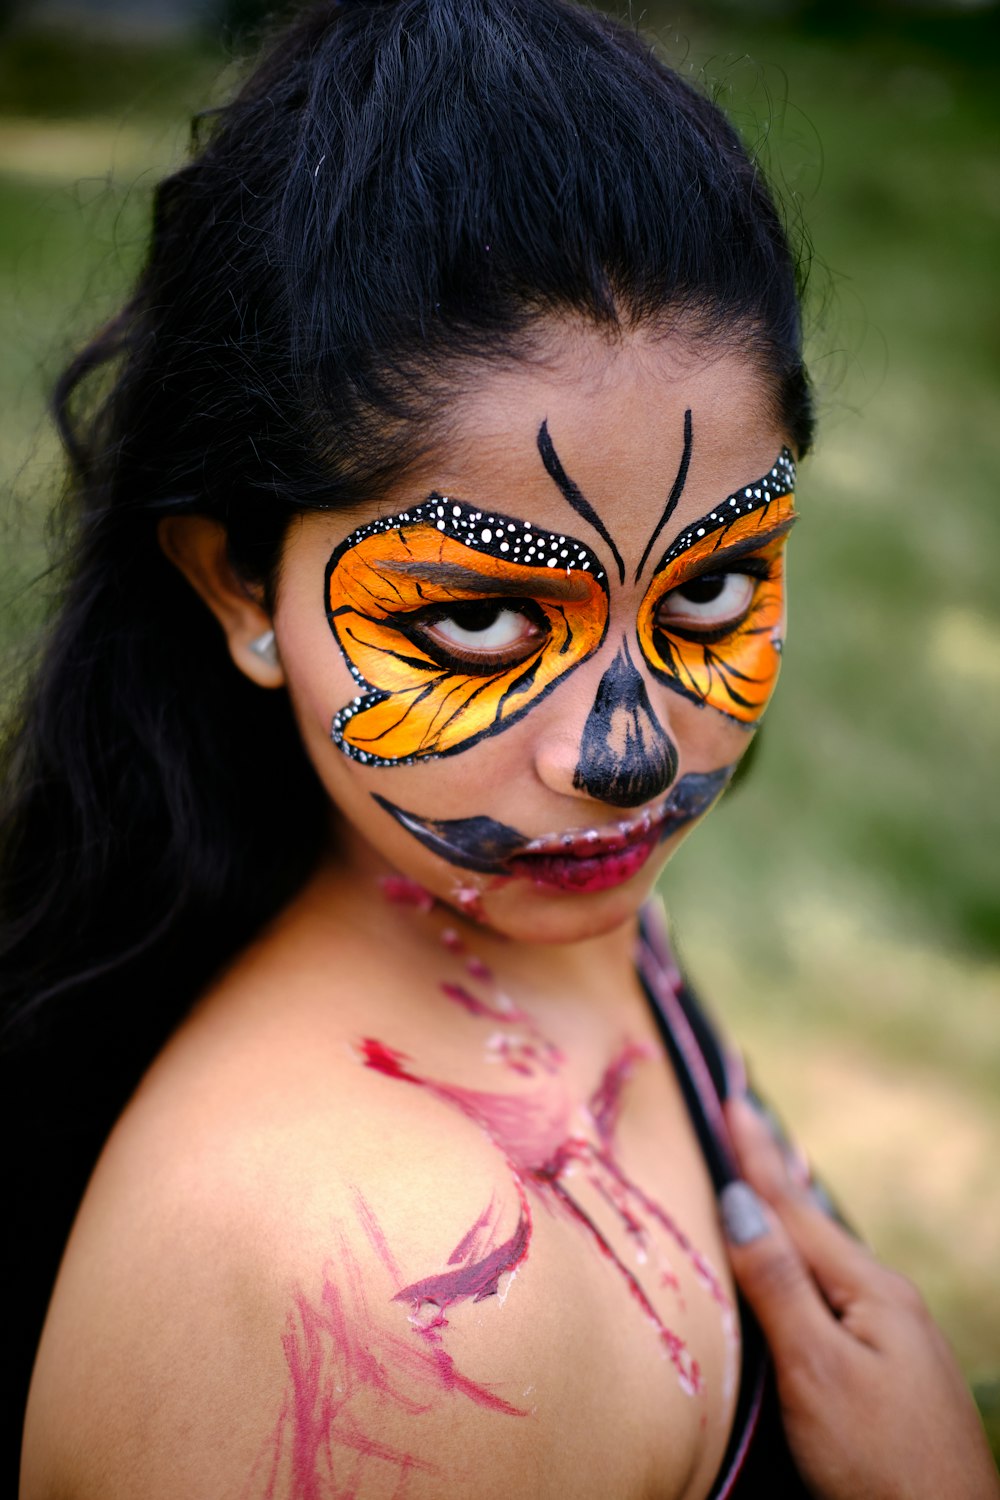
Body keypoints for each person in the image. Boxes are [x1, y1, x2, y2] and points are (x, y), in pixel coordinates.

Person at [2, 0, 996, 1494]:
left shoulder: (520, 887)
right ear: (234, 581)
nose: (629, 755)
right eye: (477, 627)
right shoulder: (375, 1302)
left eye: (712, 587)